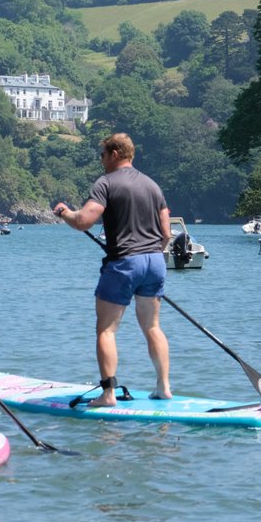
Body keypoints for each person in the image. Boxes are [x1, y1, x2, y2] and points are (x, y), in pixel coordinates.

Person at [53, 133, 173, 406]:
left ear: (115, 153)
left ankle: (107, 394)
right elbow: (166, 233)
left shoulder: (105, 183)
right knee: (152, 326)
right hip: (155, 262)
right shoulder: (153, 186)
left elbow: (84, 221)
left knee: (106, 330)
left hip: (123, 264)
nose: (101, 160)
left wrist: (65, 212)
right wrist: (150, 255)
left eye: (103, 154)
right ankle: (163, 387)